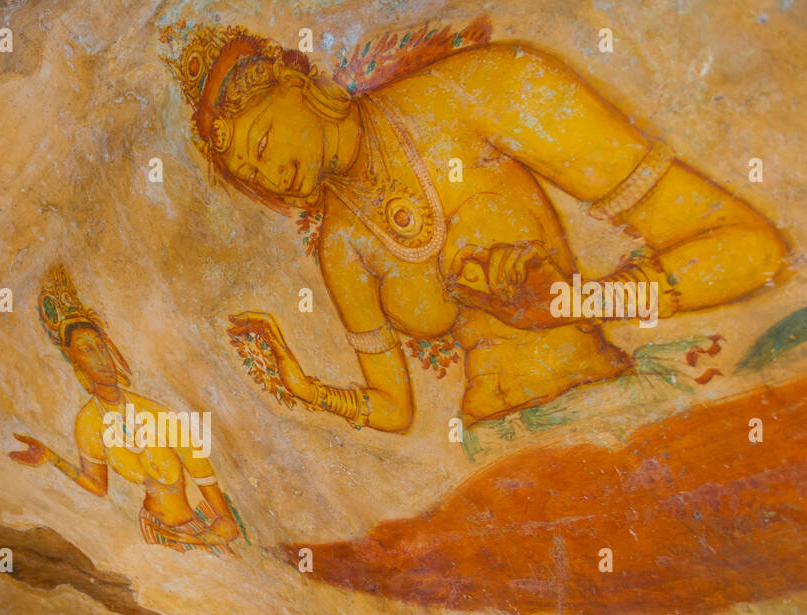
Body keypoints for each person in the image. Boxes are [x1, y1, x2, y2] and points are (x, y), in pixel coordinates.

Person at [162, 20, 788, 431]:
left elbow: (752, 250)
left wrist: (578, 300)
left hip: (608, 410)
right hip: (494, 449)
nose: (267, 174)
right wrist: (304, 387)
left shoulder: (485, 87)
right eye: (249, 171)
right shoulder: (339, 247)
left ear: (297, 84)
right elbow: (393, 406)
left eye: (262, 141)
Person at [11, 265, 244, 554]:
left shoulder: (156, 413)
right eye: (86, 350)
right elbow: (97, 485)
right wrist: (51, 458)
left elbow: (223, 517)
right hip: (153, 532)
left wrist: (207, 532)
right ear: (76, 364)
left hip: (193, 531)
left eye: (101, 346)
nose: (100, 358)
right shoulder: (89, 421)